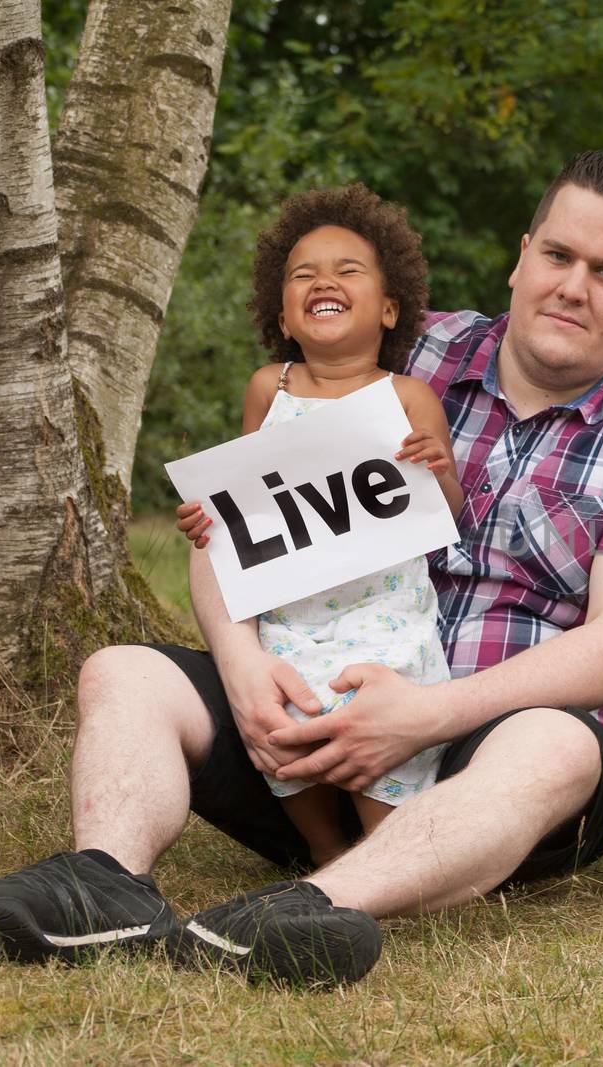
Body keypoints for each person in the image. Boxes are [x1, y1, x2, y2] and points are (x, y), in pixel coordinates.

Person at [0, 149, 603, 985]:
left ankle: (307, 908)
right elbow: (234, 531)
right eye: (559, 256)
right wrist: (242, 670)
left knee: (559, 746)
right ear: (523, 256)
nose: (572, 286)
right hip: (302, 721)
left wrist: (425, 713)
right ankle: (98, 888)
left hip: (486, 759)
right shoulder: (398, 350)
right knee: (122, 672)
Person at [204, 184, 466, 867]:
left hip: (385, 612)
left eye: (348, 269)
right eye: (303, 274)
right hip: (291, 613)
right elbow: (251, 500)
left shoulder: (408, 397)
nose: (324, 280)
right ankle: (323, 848)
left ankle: (387, 856)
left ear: (388, 308)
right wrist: (209, 511)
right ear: (284, 314)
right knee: (285, 727)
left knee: (386, 742)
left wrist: (438, 468)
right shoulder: (271, 388)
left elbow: (449, 516)